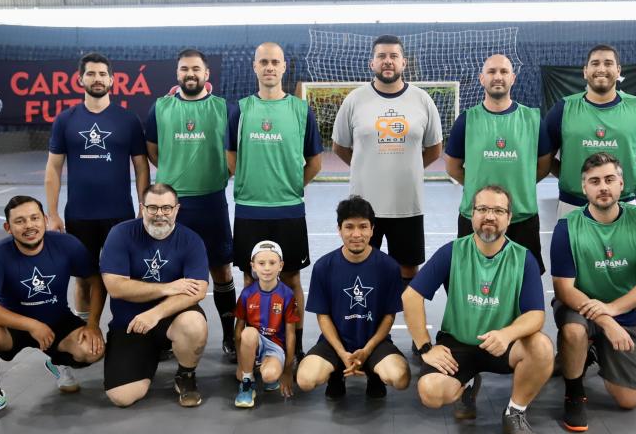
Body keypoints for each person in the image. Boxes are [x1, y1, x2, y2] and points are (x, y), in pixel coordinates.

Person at [403, 185, 553, 434]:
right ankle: (468, 383)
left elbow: (535, 315)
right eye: (482, 209)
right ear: (472, 215)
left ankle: (515, 411)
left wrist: (506, 334)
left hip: (502, 344)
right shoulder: (453, 252)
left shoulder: (523, 258)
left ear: (509, 217)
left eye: (497, 210)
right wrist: (426, 347)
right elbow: (411, 296)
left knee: (541, 347)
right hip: (458, 343)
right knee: (430, 391)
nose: (489, 216)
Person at [550, 153, 636, 432]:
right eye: (594, 181)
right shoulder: (567, 227)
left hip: (621, 311)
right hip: (578, 307)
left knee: (628, 400)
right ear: (584, 187)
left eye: (609, 179)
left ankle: (592, 350)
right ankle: (574, 392)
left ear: (621, 183)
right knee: (575, 331)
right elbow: (564, 289)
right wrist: (605, 320)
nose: (603, 186)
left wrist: (613, 310)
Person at [0, 195, 104, 426]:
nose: (29, 226)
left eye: (34, 218)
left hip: (58, 321)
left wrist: (92, 324)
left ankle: (58, 361)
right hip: (14, 327)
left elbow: (95, 281)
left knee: (92, 350)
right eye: (20, 221)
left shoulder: (66, 244)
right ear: (8, 228)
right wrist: (32, 325)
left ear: (45, 220)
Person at [226, 42, 323, 360]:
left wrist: (290, 187)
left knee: (292, 276)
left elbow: (314, 162)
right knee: (251, 278)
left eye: (275, 62)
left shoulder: (300, 109)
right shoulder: (240, 109)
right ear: (255, 67)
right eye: (263, 62)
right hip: (250, 209)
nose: (269, 67)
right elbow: (231, 158)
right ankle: (251, 342)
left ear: (284, 68)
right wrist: (252, 183)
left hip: (288, 209)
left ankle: (294, 343)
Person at [145, 48, 238, 361]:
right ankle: (166, 336)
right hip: (173, 205)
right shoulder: (160, 108)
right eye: (185, 69)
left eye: (196, 69)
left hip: (211, 200)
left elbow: (233, 155)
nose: (190, 74)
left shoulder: (224, 108)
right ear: (177, 73)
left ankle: (230, 335)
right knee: (169, 273)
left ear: (206, 74)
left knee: (221, 269)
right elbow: (154, 152)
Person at [45, 52, 149, 321]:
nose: (97, 78)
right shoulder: (65, 120)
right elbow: (53, 168)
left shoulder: (128, 120)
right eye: (91, 73)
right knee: (82, 278)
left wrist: (143, 206)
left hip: (120, 216)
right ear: (80, 79)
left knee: (125, 276)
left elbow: (141, 167)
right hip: (80, 215)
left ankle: (126, 332)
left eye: (103, 73)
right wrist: (53, 213)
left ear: (112, 79)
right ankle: (83, 331)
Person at [332, 34, 443, 285]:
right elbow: (339, 146)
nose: (388, 61)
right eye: (381, 56)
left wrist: (411, 165)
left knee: (408, 270)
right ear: (372, 63)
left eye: (394, 56)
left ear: (404, 63)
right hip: (364, 206)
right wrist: (366, 164)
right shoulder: (354, 100)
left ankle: (403, 318)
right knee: (363, 267)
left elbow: (435, 148)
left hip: (408, 204)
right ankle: (367, 322)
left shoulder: (422, 100)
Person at [99, 184, 209, 408]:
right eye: (153, 208)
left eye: (167, 208)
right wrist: (167, 287)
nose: (160, 214)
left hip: (171, 317)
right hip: (130, 323)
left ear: (177, 209)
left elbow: (198, 290)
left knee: (194, 324)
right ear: (142, 208)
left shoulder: (191, 240)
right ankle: (147, 355)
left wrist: (155, 313)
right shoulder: (120, 234)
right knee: (122, 397)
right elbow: (116, 287)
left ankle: (185, 375)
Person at [445, 53, 551, 274]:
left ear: (513, 77)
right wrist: (477, 188)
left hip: (521, 218)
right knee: (472, 282)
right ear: (481, 78)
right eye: (491, 71)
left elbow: (543, 166)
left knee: (522, 285)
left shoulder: (533, 120)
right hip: (475, 218)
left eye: (503, 71)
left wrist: (519, 186)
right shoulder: (466, 120)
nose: (498, 76)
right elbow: (452, 167)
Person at [297, 196, 410, 399]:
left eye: (363, 227)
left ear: (372, 229)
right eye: (349, 227)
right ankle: (336, 373)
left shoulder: (389, 267)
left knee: (400, 378)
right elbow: (323, 316)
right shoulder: (324, 267)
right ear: (339, 229)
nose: (356, 234)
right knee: (305, 380)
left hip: (374, 344)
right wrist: (341, 352)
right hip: (335, 344)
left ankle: (373, 372)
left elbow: (389, 316)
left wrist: (367, 351)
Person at [546, 44, 636, 218]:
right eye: (595, 63)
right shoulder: (563, 109)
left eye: (608, 63)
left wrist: (619, 180)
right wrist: (570, 177)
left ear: (618, 71)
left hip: (623, 203)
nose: (601, 69)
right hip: (573, 204)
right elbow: (545, 159)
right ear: (585, 71)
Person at [233, 241, 299, 408]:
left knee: (269, 376)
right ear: (253, 266)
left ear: (281, 266)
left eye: (272, 263)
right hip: (253, 341)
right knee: (248, 333)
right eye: (261, 263)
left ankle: (266, 370)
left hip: (274, 346)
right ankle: (248, 383)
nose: (267, 268)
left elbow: (291, 333)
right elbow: (238, 330)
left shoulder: (287, 295)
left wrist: (287, 369)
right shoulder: (247, 294)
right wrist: (241, 365)